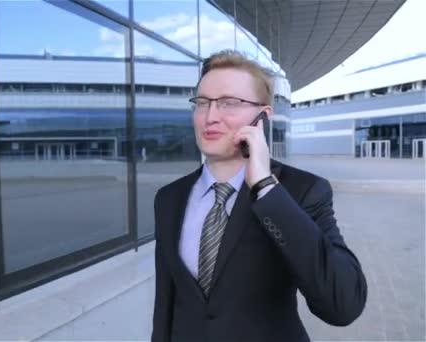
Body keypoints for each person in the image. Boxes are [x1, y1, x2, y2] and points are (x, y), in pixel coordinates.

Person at [151, 50, 367, 342]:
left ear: (262, 117)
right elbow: (165, 301)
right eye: (202, 103)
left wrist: (266, 187)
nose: (210, 116)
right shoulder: (169, 198)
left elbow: (343, 305)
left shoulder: (301, 191)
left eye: (229, 102)